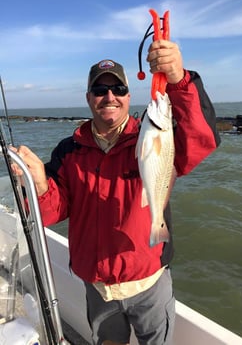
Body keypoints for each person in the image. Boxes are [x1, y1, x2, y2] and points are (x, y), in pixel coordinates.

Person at [14, 39, 220, 345]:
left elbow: (201, 138)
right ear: (88, 98)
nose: (109, 96)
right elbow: (51, 213)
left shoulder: (150, 136)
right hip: (97, 287)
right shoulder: (68, 151)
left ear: (127, 95)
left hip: (149, 280)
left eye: (118, 90)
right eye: (100, 90)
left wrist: (178, 78)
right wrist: (39, 183)